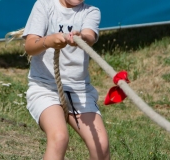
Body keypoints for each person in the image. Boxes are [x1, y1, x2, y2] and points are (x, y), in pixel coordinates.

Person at [7, 0, 110, 159]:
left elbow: (90, 37)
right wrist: (48, 41)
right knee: (59, 138)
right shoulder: (44, 5)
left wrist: (80, 37)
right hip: (45, 88)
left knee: (101, 145)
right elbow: (30, 46)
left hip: (80, 91)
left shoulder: (91, 11)